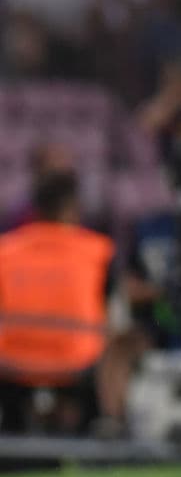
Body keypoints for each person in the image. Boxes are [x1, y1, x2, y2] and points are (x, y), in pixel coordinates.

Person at [0, 171, 113, 434]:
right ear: (72, 207)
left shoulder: (5, 250)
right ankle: (104, 424)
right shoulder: (98, 250)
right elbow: (111, 310)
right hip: (78, 360)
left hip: (12, 362)